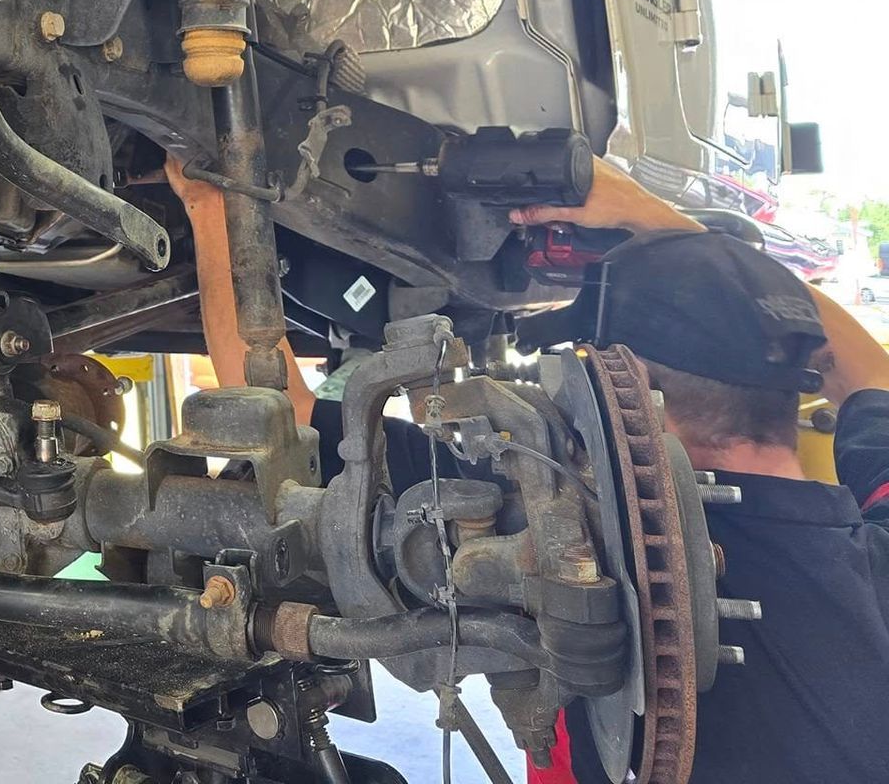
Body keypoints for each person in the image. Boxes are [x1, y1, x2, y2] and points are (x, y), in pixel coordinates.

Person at [280, 161, 889, 782]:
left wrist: (216, 217)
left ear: (635, 395)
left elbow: (289, 410)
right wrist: (677, 238)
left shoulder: (554, 518)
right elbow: (871, 374)